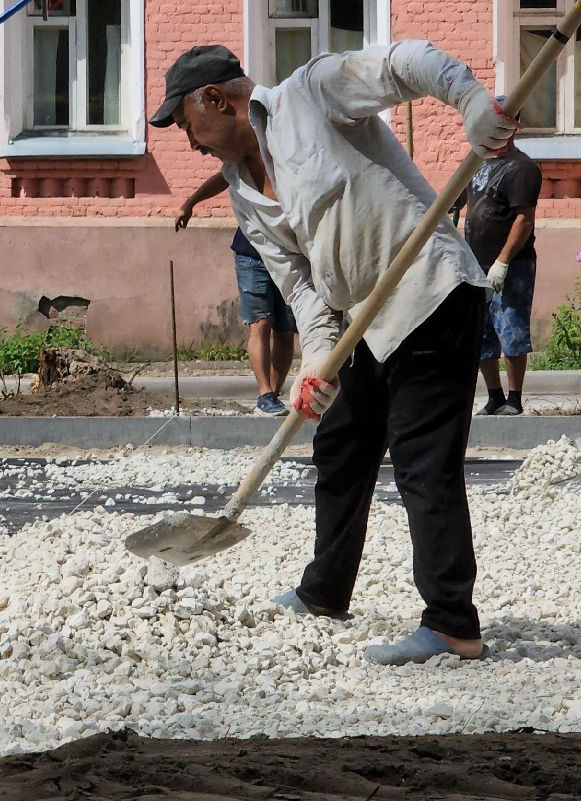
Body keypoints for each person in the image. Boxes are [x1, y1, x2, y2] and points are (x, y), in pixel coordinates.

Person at [152, 42, 517, 666]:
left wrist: (471, 102)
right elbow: (299, 283)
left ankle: (453, 625)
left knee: (422, 464)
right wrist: (317, 362)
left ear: (215, 99)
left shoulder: (311, 92)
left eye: (186, 125)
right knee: (341, 447)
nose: (189, 143)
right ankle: (325, 592)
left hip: (429, 292)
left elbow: (406, 64)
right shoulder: (243, 193)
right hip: (362, 321)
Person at [176, 176, 297, 414]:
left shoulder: (289, 157)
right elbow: (223, 177)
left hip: (288, 255)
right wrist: (189, 203)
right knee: (260, 323)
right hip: (251, 255)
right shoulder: (247, 156)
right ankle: (265, 394)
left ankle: (273, 393)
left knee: (285, 330)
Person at [463, 139, 541, 415]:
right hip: (475, 264)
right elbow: (455, 199)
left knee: (511, 329)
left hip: (512, 265)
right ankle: (494, 396)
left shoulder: (522, 168)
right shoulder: (478, 162)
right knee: (482, 333)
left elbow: (524, 219)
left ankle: (514, 399)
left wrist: (503, 261)